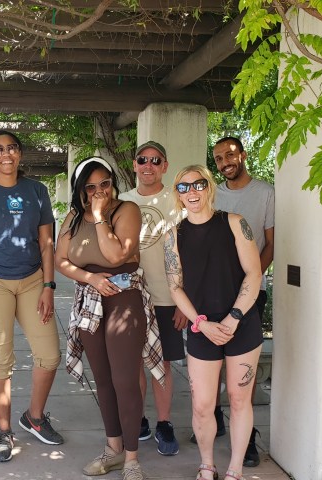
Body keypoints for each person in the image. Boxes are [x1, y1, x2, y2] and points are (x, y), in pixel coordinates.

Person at [56, 157, 164, 480]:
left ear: (113, 182)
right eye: (90, 187)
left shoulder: (125, 210)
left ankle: (132, 458)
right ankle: (113, 448)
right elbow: (61, 260)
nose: (99, 191)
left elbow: (118, 254)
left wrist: (101, 217)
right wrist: (89, 279)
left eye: (104, 183)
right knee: (102, 379)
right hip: (90, 301)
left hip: (124, 299)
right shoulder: (74, 218)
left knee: (125, 380)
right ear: (80, 190)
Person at [0, 130, 63, 463]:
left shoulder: (36, 191)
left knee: (49, 355)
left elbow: (47, 244)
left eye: (12, 148)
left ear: (20, 154)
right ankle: (3, 432)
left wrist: (49, 286)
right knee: (1, 360)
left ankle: (34, 416)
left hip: (33, 280)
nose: (6, 154)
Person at [164, 165, 262, 480]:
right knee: (203, 405)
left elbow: (254, 273)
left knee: (238, 398)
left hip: (241, 324)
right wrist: (201, 324)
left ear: (209, 188)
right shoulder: (172, 236)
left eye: (198, 185)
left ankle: (235, 469)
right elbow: (175, 287)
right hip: (202, 328)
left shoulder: (235, 223)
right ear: (177, 196)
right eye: (183, 187)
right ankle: (207, 465)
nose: (191, 192)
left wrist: (234, 317)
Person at [119, 141, 185, 456]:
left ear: (165, 166)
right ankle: (140, 419)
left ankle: (163, 422)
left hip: (168, 298)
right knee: (133, 364)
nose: (148, 165)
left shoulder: (178, 200)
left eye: (155, 160)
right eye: (143, 160)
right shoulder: (120, 201)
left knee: (163, 364)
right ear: (134, 164)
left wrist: (186, 303)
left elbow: (191, 253)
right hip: (129, 297)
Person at [212, 136, 275, 467]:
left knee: (243, 369)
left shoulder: (265, 193)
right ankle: (215, 418)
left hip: (251, 295)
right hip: (214, 292)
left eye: (230, 154)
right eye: (219, 158)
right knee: (215, 362)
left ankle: (248, 438)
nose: (225, 162)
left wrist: (249, 281)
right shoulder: (212, 193)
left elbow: (271, 243)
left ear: (243, 154)